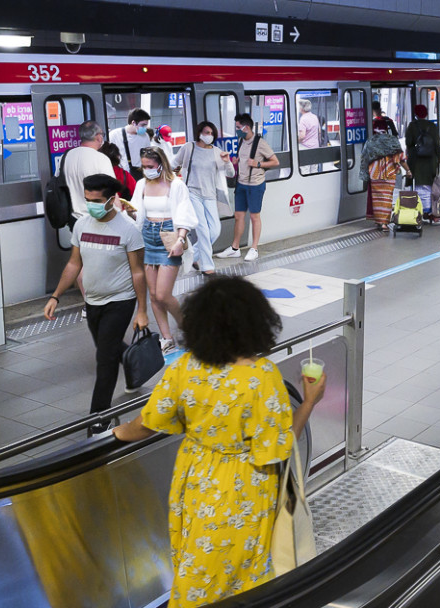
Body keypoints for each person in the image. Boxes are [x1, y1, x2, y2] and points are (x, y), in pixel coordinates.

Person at [113, 276, 326, 607]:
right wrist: (309, 402)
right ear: (255, 322)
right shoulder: (262, 377)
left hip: (196, 480)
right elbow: (279, 446)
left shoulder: (185, 368)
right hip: (248, 486)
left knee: (196, 567)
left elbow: (146, 423)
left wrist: (113, 432)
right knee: (245, 575)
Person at [44, 174, 148, 431]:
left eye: (97, 200)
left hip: (120, 301)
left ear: (113, 200)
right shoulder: (81, 225)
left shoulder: (129, 230)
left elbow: (138, 272)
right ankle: (134, 369)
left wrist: (142, 311)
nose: (92, 205)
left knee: (104, 359)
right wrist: (55, 295)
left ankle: (98, 419)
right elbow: (73, 263)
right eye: (88, 199)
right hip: (93, 302)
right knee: (108, 348)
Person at [127, 147, 198, 351]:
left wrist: (180, 239)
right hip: (147, 236)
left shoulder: (175, 185)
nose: (146, 170)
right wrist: (128, 211)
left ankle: (187, 327)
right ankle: (166, 338)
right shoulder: (141, 185)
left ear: (161, 164)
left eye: (150, 166)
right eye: (144, 166)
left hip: (169, 236)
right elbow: (138, 215)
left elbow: (184, 213)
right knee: (153, 296)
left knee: (163, 294)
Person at [173, 121, 234, 275]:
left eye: (211, 133)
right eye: (206, 132)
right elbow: (173, 163)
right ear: (199, 132)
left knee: (215, 230)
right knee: (203, 230)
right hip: (192, 193)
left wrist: (227, 162)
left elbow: (231, 173)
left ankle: (192, 255)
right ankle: (208, 267)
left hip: (210, 195)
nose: (209, 136)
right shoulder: (189, 147)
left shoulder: (217, 152)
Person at [216, 114, 279, 262]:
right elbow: (242, 161)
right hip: (242, 184)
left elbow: (275, 161)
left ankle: (254, 248)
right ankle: (235, 248)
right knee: (238, 216)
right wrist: (235, 162)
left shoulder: (260, 143)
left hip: (255, 185)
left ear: (247, 127)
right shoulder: (241, 141)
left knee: (254, 216)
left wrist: (258, 164)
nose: (237, 130)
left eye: (238, 127)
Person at [361, 120, 410, 232]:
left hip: (375, 174)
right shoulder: (392, 141)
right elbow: (400, 159)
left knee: (377, 199)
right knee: (387, 199)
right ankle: (384, 223)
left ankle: (379, 221)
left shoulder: (371, 142)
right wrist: (408, 170)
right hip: (389, 174)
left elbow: (364, 158)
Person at [63, 121, 113, 225]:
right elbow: (112, 193)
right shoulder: (101, 159)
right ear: (98, 137)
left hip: (75, 219)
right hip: (97, 218)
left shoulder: (67, 156)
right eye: (102, 134)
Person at [404, 104, 440, 221]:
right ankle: (430, 211)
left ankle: (419, 211)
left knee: (417, 185)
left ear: (416, 114)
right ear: (426, 113)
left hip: (416, 160)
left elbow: (408, 142)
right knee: (430, 185)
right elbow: (437, 143)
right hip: (431, 160)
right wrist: (439, 157)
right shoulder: (432, 126)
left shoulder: (412, 126)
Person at [109, 108, 151, 180]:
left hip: (139, 174)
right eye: (143, 125)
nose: (145, 128)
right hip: (121, 175)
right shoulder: (115, 135)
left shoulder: (145, 136)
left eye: (146, 125)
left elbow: (148, 155)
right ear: (133, 122)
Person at [297, 99, 322, 173]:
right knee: (314, 169)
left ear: (301, 108)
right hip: (315, 147)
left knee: (305, 170)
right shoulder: (315, 117)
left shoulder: (303, 119)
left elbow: (302, 136)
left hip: (305, 148)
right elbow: (319, 131)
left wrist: (296, 142)